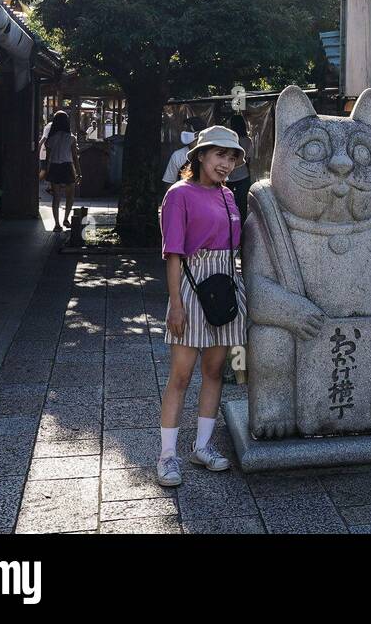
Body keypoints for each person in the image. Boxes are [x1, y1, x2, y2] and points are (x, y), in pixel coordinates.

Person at [156, 126, 248, 487]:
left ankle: (203, 447)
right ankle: (166, 456)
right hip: (193, 287)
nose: (226, 164)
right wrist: (175, 305)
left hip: (225, 286)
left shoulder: (228, 195)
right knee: (180, 376)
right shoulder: (179, 195)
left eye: (232, 157)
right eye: (219, 155)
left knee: (214, 372)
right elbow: (173, 253)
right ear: (200, 156)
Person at [39, 111, 80, 231]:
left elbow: (48, 158)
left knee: (56, 197)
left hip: (55, 167)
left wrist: (46, 170)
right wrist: (79, 172)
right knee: (70, 196)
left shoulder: (51, 139)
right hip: (67, 167)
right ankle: (66, 219)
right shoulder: (71, 138)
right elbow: (75, 157)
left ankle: (57, 224)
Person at [224, 114, 254, 227]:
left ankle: (230, 225)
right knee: (242, 204)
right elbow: (249, 159)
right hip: (243, 176)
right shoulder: (247, 140)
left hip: (228, 177)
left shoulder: (228, 141)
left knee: (228, 203)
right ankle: (243, 228)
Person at [161, 117, 200, 187]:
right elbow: (169, 183)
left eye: (187, 129)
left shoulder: (211, 154)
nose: (183, 132)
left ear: (198, 134)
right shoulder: (177, 155)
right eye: (183, 129)